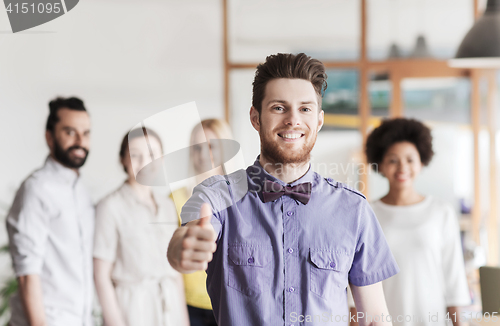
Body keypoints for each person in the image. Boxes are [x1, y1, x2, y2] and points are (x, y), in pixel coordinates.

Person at [167, 53, 400, 326]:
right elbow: (186, 241)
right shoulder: (216, 197)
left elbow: (374, 318)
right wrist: (183, 248)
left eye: (305, 109)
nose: (293, 120)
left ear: (319, 121)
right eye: (279, 108)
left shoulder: (355, 210)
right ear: (256, 118)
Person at [349, 118, 470, 326]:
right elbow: (357, 285)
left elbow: (454, 280)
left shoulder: (441, 212)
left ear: (421, 163)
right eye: (393, 160)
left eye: (410, 159)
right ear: (381, 165)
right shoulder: (366, 213)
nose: (402, 167)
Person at [6, 97, 94, 326]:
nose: (80, 141)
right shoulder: (36, 189)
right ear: (49, 136)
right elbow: (27, 274)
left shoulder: (82, 192)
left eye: (85, 133)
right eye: (70, 132)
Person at [93, 127, 189, 326]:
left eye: (152, 154)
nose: (145, 162)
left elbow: (175, 271)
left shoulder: (167, 205)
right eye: (135, 155)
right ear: (123, 160)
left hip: (170, 310)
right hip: (133, 310)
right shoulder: (110, 207)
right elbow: (101, 276)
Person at [170, 119, 233, 326]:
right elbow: (173, 266)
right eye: (197, 147)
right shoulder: (175, 198)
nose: (203, 153)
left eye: (211, 146)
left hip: (231, 303)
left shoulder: (242, 197)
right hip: (191, 306)